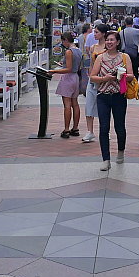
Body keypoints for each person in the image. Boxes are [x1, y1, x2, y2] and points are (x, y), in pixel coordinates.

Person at [91, 30, 130, 171]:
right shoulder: (100, 58)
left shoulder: (124, 57)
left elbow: (132, 75)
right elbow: (92, 77)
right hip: (103, 96)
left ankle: (120, 151)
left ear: (118, 42)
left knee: (119, 126)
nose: (109, 42)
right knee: (104, 127)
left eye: (112, 40)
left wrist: (123, 75)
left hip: (119, 96)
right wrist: (104, 79)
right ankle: (106, 159)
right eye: (107, 40)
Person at [81, 23, 109, 144]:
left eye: (97, 32)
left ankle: (105, 131)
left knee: (105, 107)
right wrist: (90, 75)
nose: (95, 34)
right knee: (89, 104)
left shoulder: (109, 47)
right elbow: (91, 63)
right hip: (93, 79)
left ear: (103, 33)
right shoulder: (93, 47)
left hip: (105, 80)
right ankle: (90, 131)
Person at [53, 32, 82, 138]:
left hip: (68, 77)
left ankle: (66, 129)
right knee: (75, 103)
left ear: (66, 40)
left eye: (63, 41)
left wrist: (54, 71)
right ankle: (75, 128)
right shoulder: (78, 50)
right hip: (76, 77)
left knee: (67, 104)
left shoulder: (69, 52)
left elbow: (68, 68)